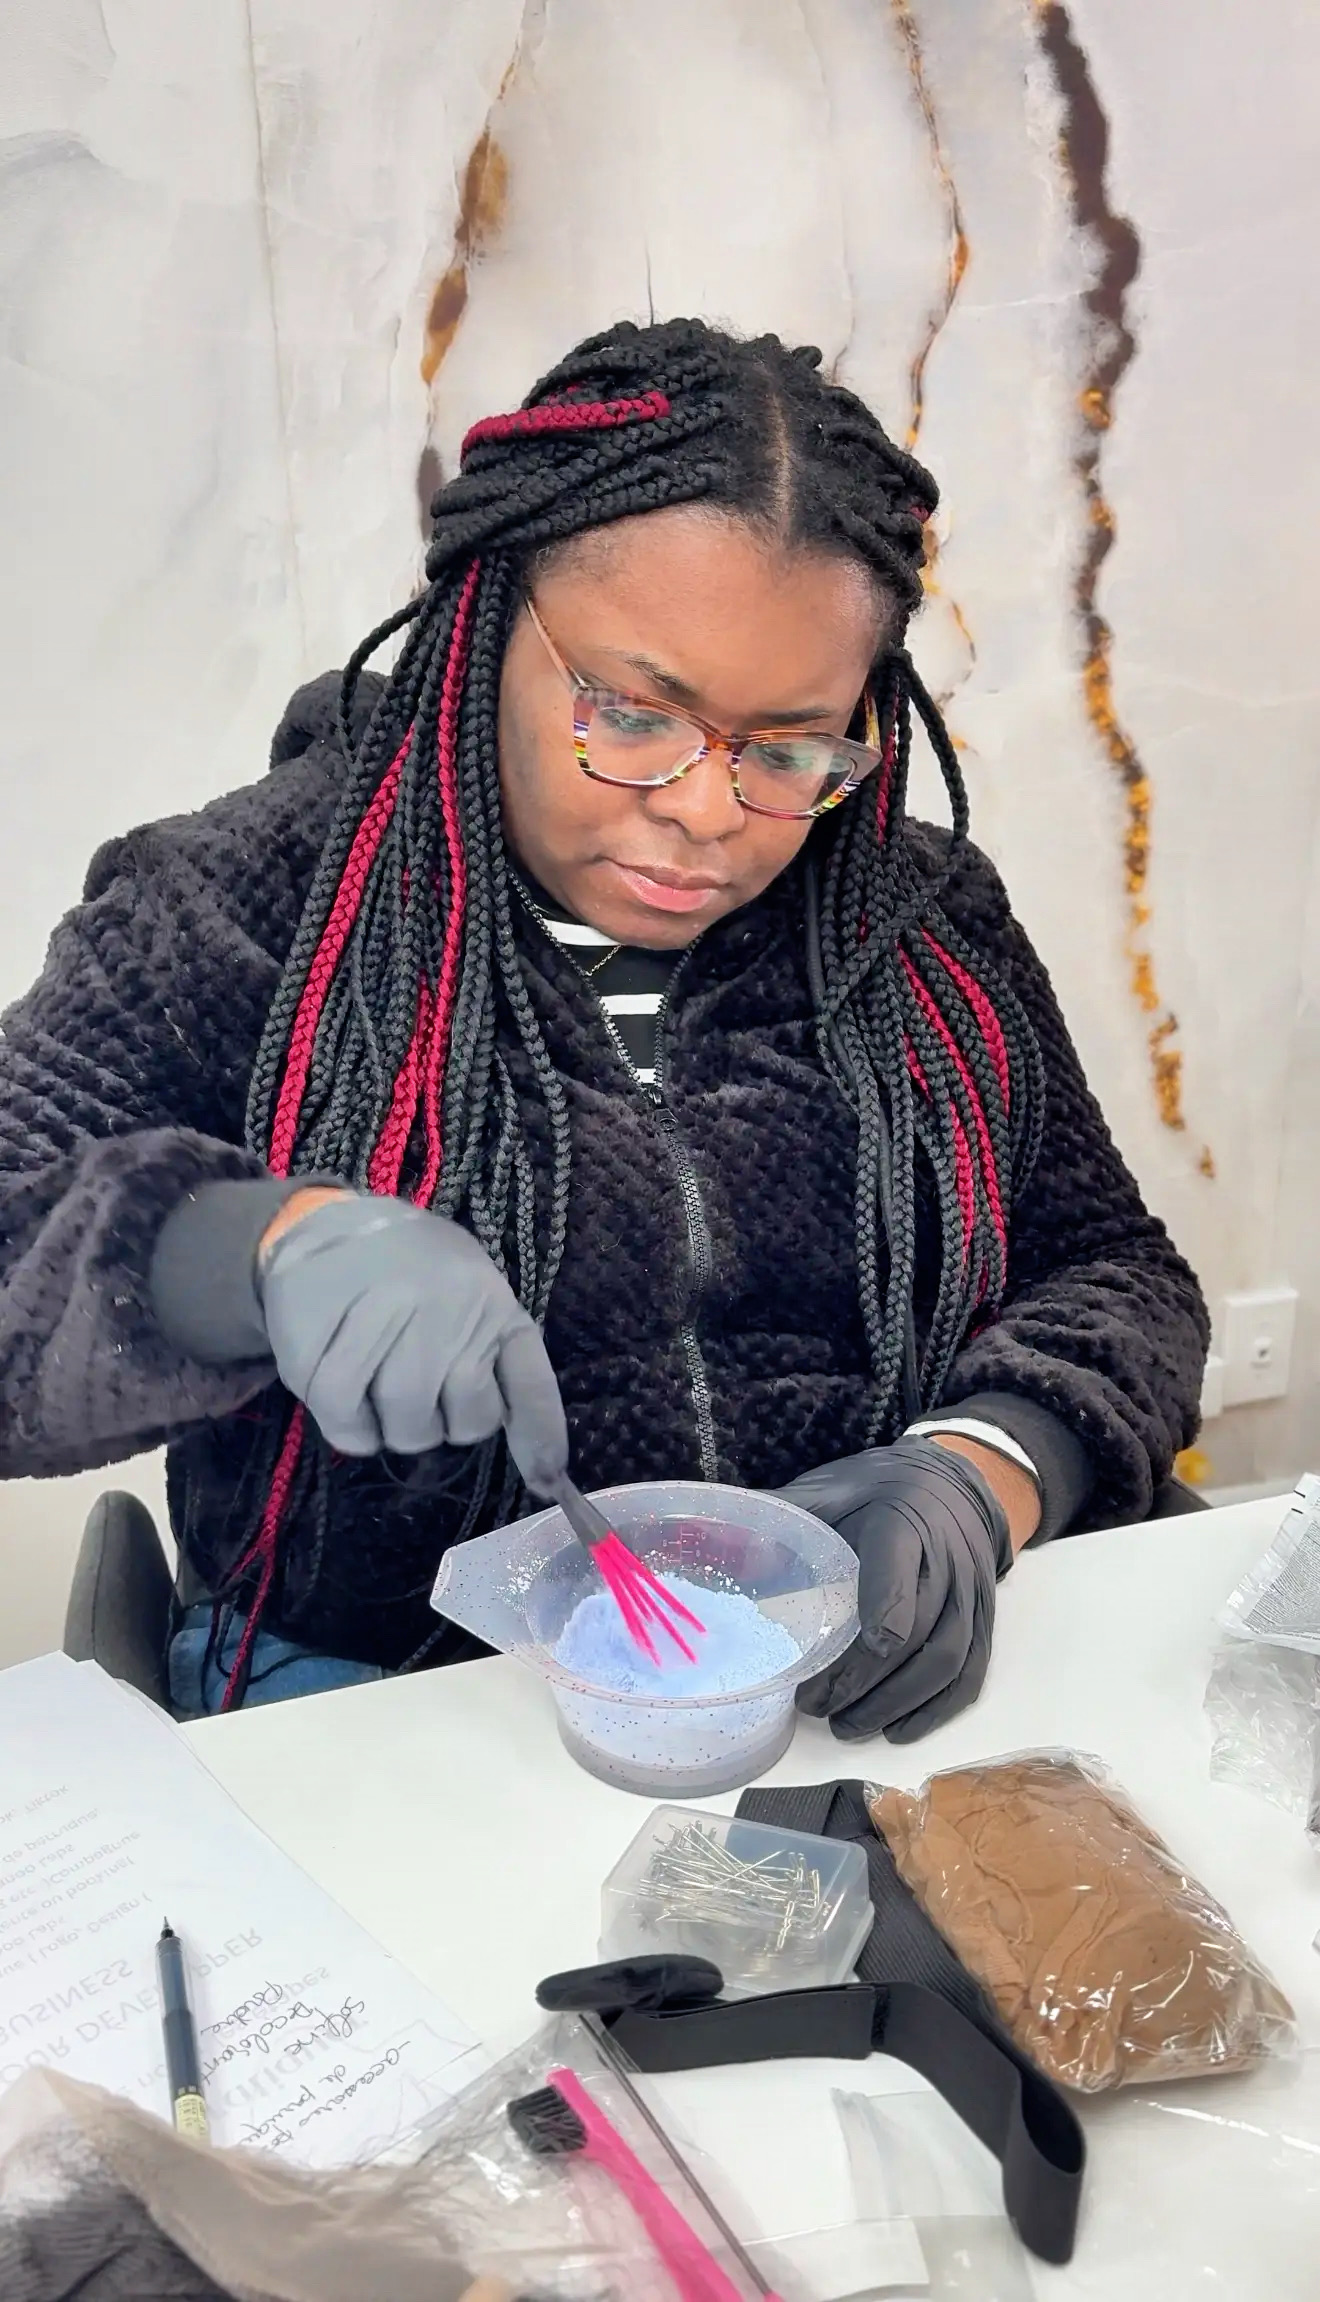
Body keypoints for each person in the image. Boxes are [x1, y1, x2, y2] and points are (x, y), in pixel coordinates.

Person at [0, 319, 1208, 1727]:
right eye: (634, 715)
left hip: (845, 1680)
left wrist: (986, 1468)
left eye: (789, 747)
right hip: (397, 1708)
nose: (705, 812)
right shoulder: (240, 905)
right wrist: (244, 1250)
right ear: (484, 625)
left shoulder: (921, 920)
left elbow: (1114, 1271)